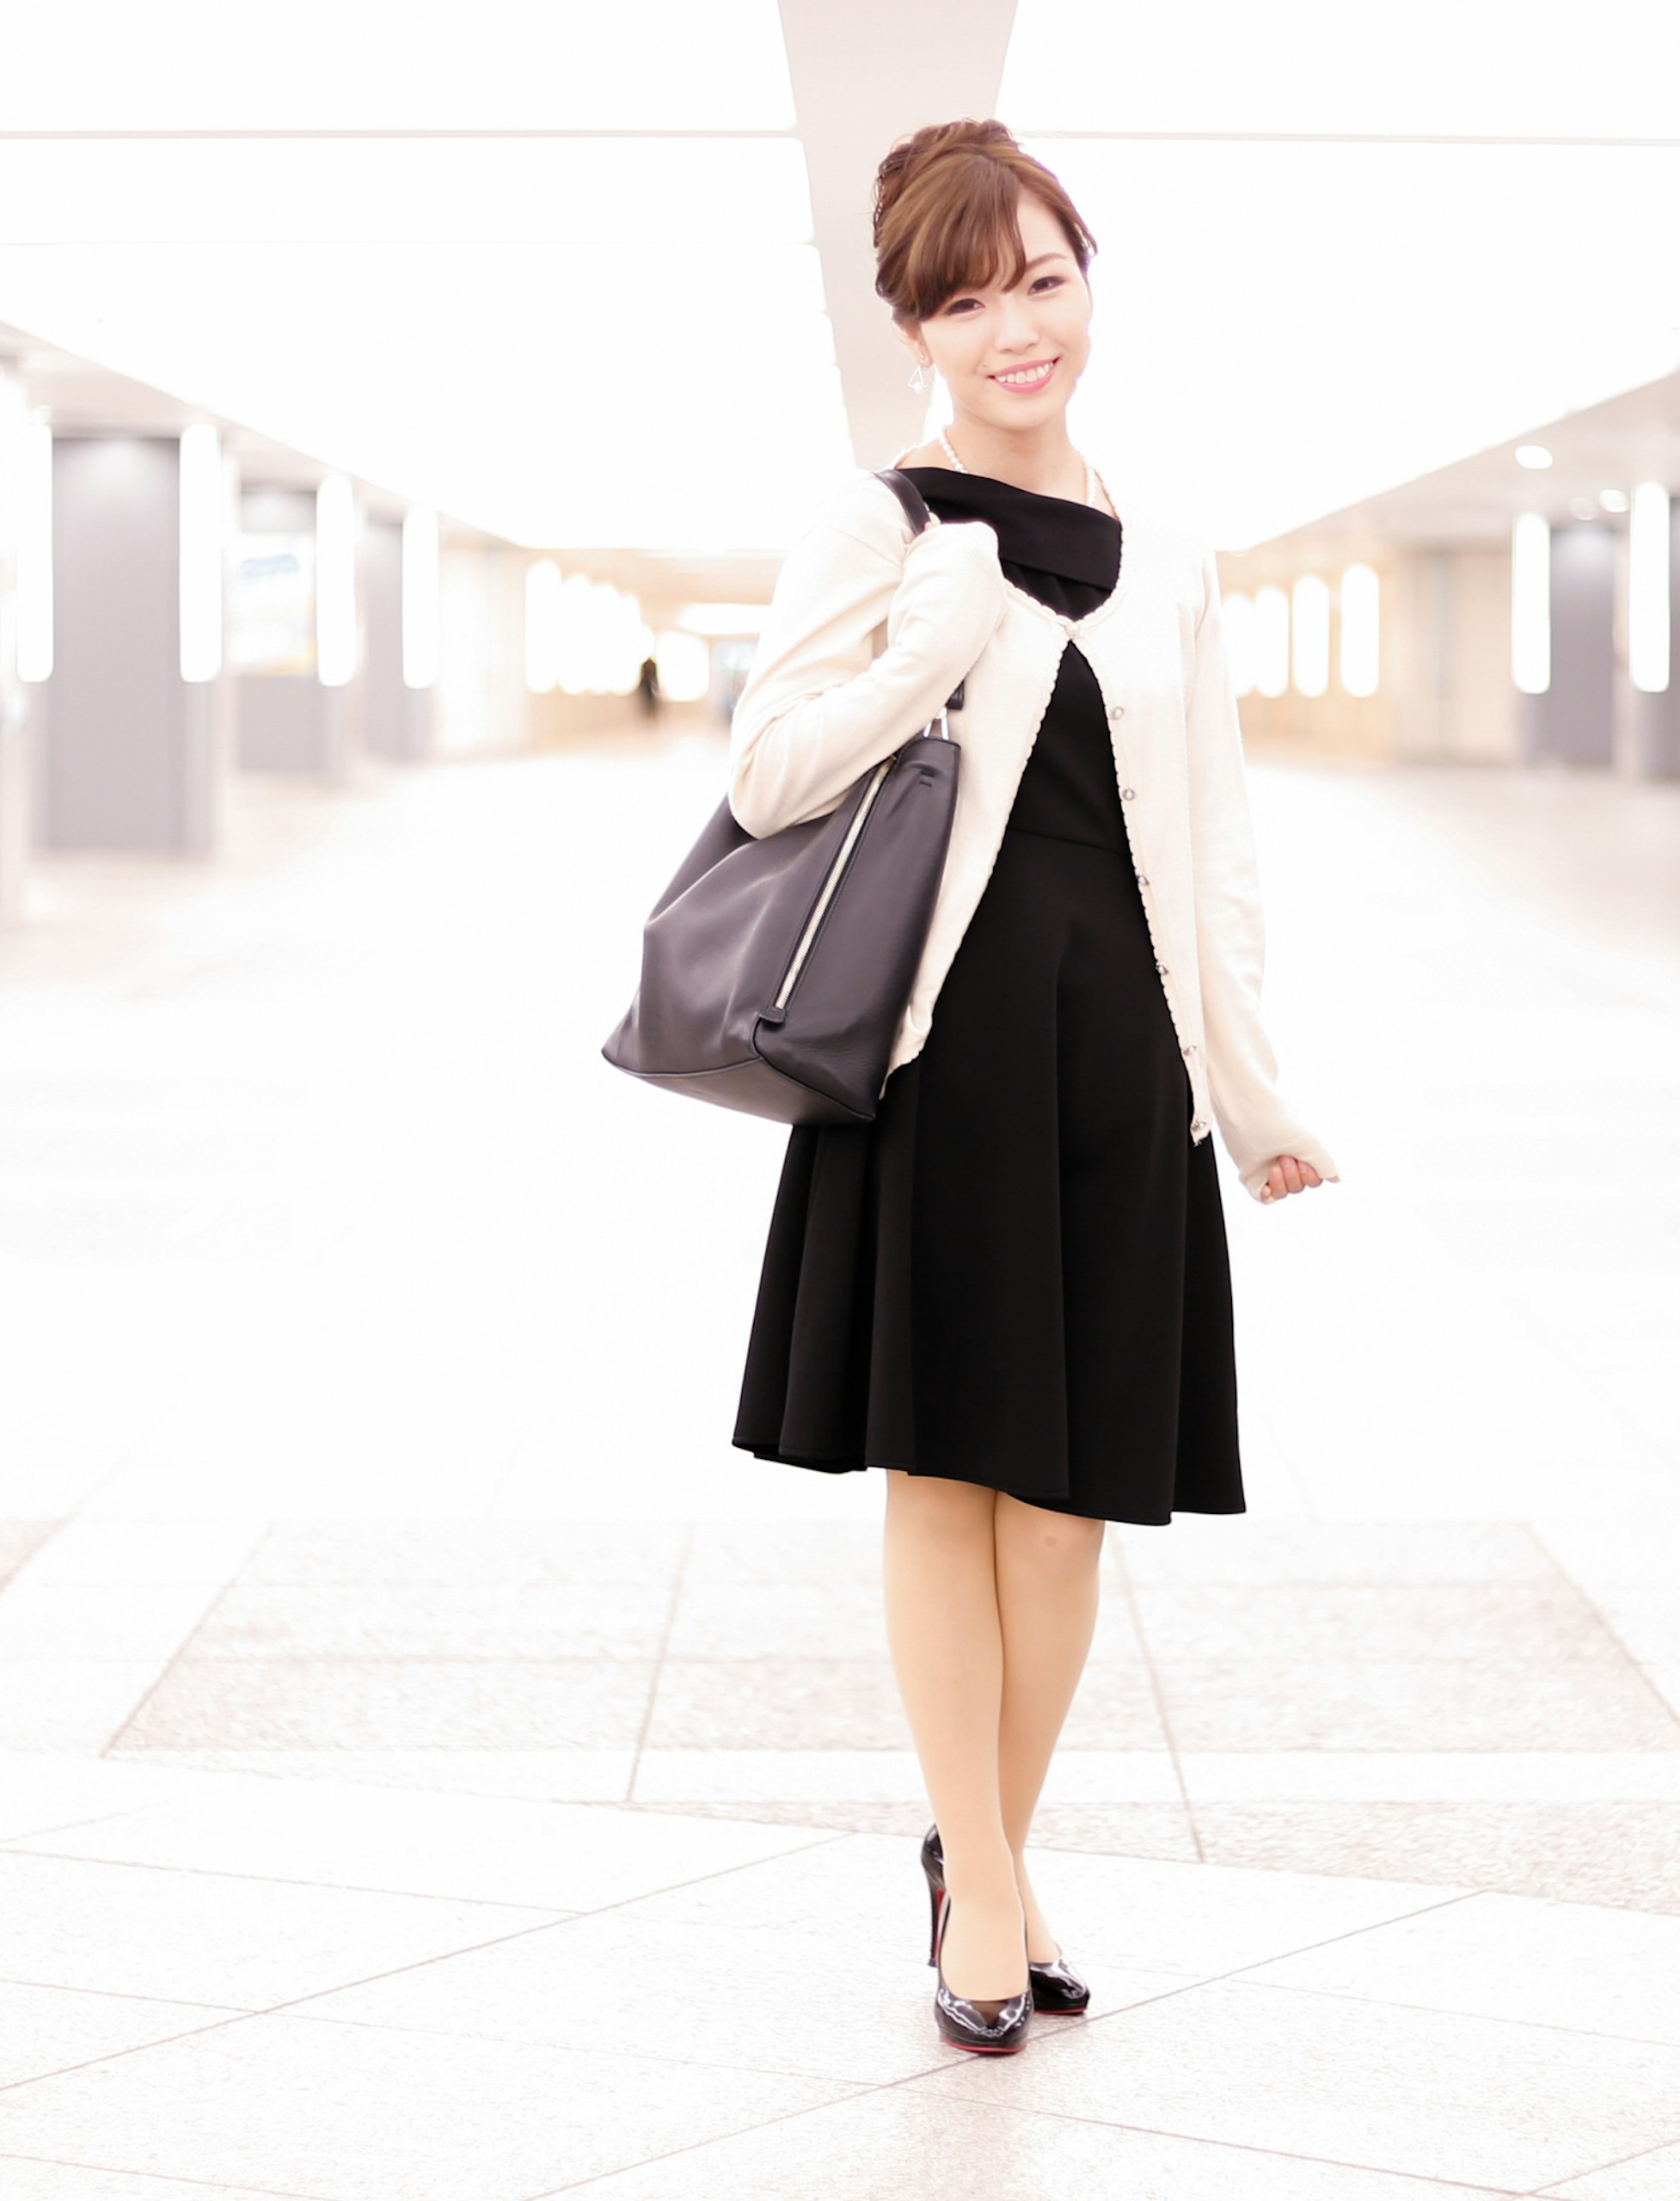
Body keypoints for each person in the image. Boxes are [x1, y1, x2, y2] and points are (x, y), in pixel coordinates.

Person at [722, 119, 1335, 2054]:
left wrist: (1251, 1090)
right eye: (971, 298)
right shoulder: (884, 522)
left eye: (1044, 282)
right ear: (915, 323)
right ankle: (984, 1885)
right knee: (945, 1472)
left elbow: (1215, 838)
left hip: (1113, 1071)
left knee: (1069, 1502)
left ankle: (990, 1840)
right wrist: (936, 638)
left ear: (1089, 281)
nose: (1018, 329)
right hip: (939, 1062)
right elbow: (766, 775)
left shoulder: (1171, 554)